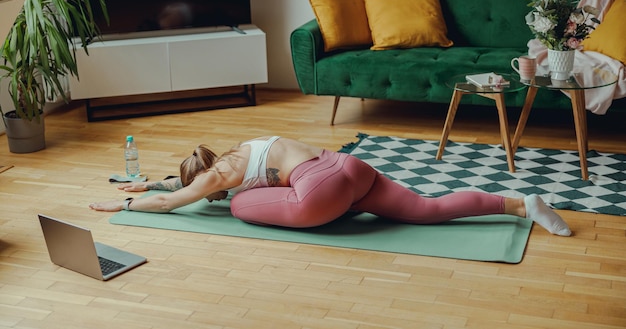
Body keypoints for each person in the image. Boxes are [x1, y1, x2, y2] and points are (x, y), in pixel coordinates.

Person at [89, 136, 572, 236]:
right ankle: (521, 204)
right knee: (427, 208)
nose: (210, 192)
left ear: (207, 177)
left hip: (322, 192)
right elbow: (181, 181)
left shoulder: (218, 180)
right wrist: (149, 180)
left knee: (240, 208)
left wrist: (123, 206)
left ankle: (337, 211)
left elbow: (175, 199)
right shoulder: (236, 152)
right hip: (349, 165)